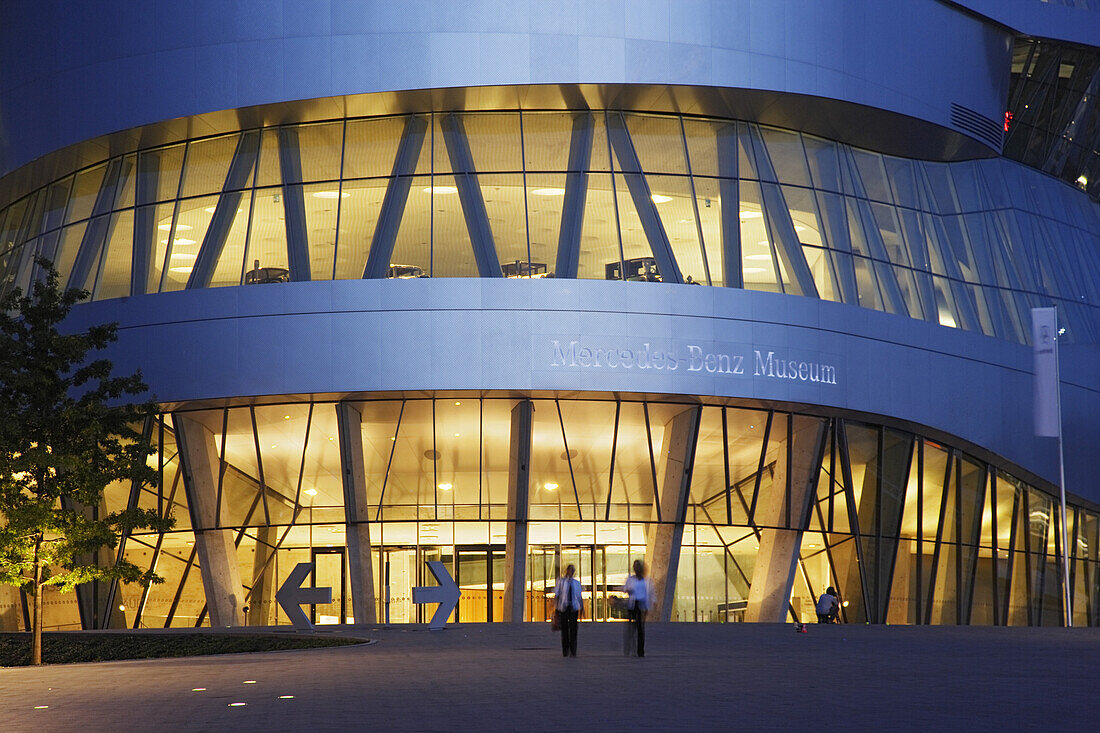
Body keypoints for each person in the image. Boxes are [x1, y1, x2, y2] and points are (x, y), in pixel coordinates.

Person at [622, 559, 652, 657]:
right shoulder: (631, 579)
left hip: (641, 605)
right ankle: (630, 649)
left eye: (638, 566)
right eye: (635, 566)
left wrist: (647, 608)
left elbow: (648, 594)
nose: (636, 568)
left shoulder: (645, 580)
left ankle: (640, 650)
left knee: (640, 629)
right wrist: (628, 590)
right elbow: (625, 588)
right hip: (632, 604)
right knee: (631, 628)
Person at [554, 564, 582, 657]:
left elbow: (579, 596)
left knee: (573, 629)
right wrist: (555, 607)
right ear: (567, 571)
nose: (571, 573)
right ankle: (565, 650)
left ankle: (573, 650)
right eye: (570, 570)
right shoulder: (561, 582)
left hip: (573, 607)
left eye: (573, 571)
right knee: (565, 629)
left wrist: (582, 608)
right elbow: (557, 594)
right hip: (564, 607)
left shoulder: (576, 583)